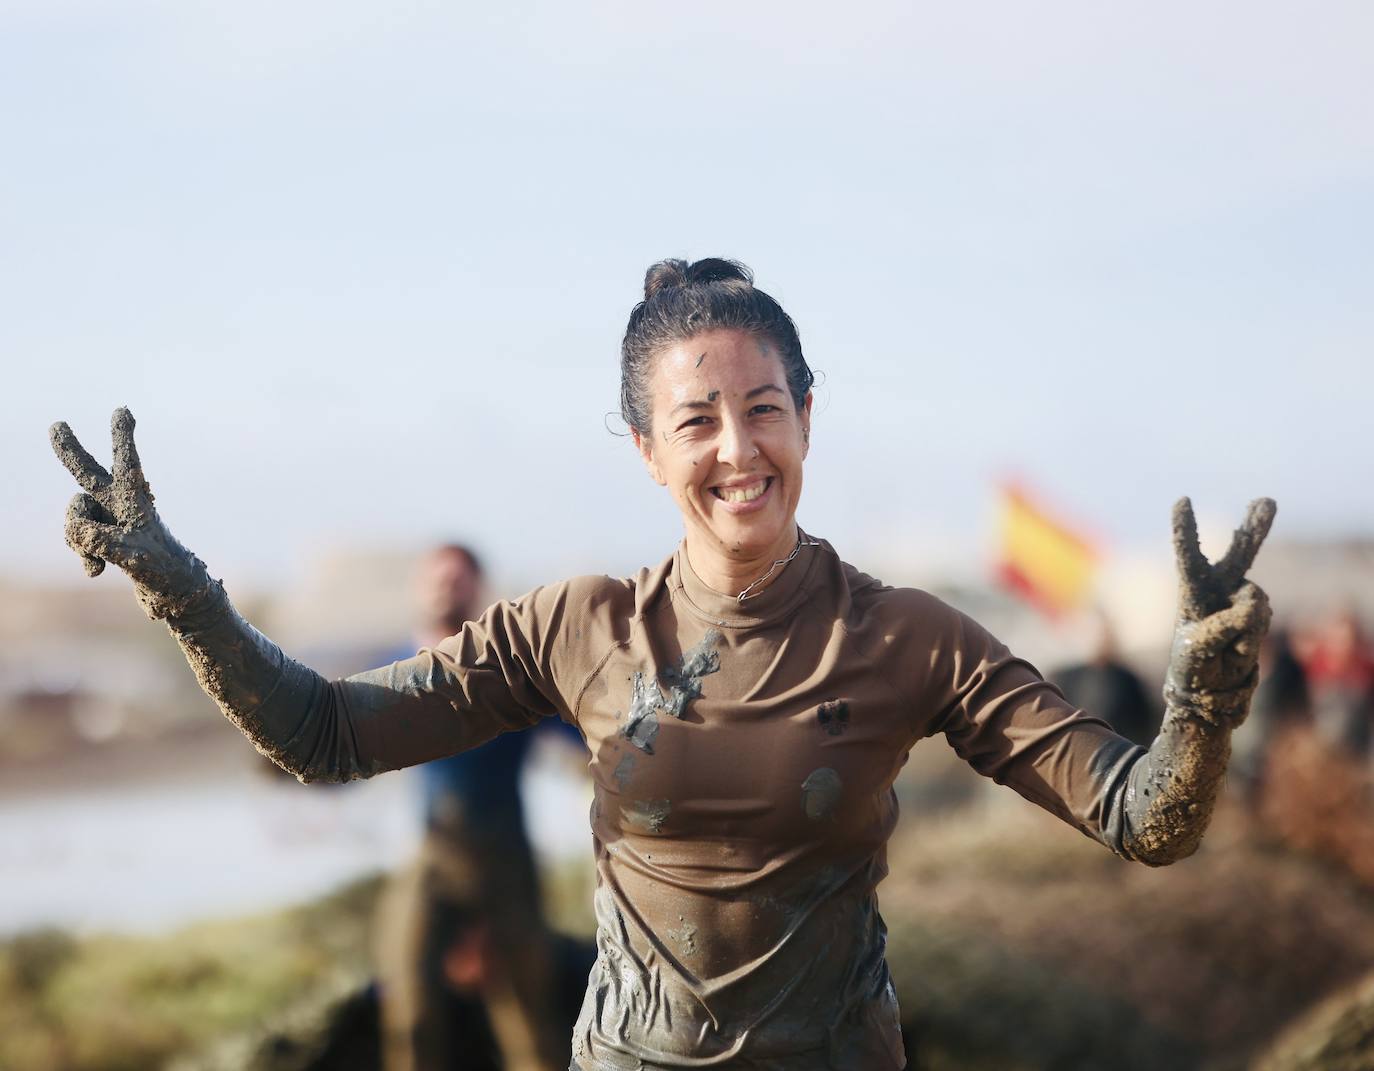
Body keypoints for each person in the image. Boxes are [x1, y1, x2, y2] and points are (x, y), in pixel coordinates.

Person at [50, 257, 1274, 1071]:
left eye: (765, 408)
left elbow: (1145, 816)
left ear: (806, 415)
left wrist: (1203, 697)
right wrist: (178, 585)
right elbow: (322, 732)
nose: (737, 449)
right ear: (645, 447)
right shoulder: (575, 629)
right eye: (696, 420)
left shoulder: (909, 636)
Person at [373, 543, 573, 1071]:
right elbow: (339, 748)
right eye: (437, 578)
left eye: (458, 579)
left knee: (528, 1015)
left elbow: (581, 733)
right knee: (409, 1008)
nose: (447, 587)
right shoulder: (395, 669)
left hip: (506, 854)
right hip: (429, 853)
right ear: (420, 585)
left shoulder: (508, 672)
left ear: (477, 588)